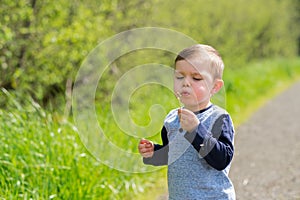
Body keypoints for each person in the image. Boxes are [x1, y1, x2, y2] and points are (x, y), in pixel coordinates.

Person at [138, 44, 236, 200]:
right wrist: (154, 153)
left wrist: (196, 130)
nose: (186, 83)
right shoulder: (172, 119)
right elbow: (172, 154)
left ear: (215, 86)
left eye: (196, 78)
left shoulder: (218, 118)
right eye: (179, 76)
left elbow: (221, 159)